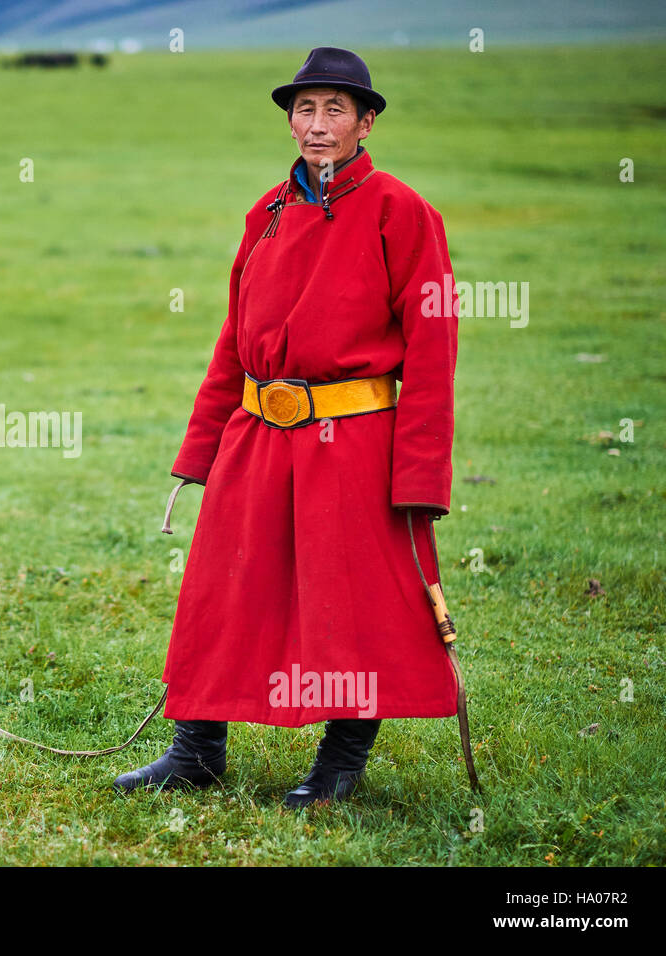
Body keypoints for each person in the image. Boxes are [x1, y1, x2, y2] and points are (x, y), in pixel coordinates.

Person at [116, 47, 466, 808]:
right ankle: (195, 751)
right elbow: (233, 342)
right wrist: (200, 449)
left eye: (334, 109)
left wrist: (420, 478)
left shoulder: (403, 212)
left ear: (366, 122)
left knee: (355, 604)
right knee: (222, 591)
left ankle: (338, 768)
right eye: (304, 109)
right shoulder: (265, 213)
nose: (316, 125)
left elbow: (434, 351)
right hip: (256, 435)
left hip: (355, 441)